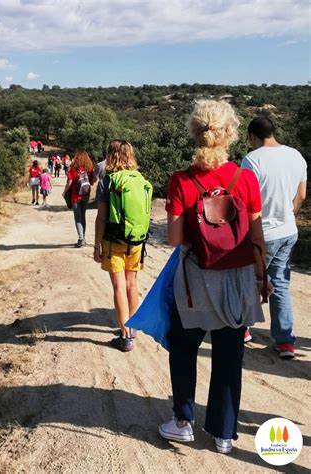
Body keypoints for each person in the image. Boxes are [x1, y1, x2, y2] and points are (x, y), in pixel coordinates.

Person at [159, 100, 266, 454]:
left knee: (183, 347)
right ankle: (223, 434)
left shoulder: (181, 180)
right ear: (230, 134)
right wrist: (261, 276)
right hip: (236, 279)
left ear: (194, 132)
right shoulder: (246, 178)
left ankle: (183, 421)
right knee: (229, 355)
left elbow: (174, 239)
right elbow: (256, 235)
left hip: (195, 280)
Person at [242, 117, 307, 358]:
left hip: (262, 233)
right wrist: (289, 215)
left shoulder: (252, 160)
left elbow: (244, 201)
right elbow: (301, 194)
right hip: (288, 231)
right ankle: (285, 341)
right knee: (280, 283)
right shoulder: (296, 156)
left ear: (252, 136)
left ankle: (242, 329)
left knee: (250, 282)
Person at [93, 140, 147, 352]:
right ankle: (132, 328)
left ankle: (125, 337)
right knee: (131, 283)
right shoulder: (140, 178)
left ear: (110, 156)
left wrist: (97, 244)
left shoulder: (108, 180)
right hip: (136, 240)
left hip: (113, 240)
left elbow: (101, 218)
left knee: (118, 286)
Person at [62, 150, 94, 247]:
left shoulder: (73, 168)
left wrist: (64, 192)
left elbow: (70, 181)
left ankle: (81, 238)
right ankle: (83, 238)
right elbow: (92, 182)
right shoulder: (89, 168)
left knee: (78, 218)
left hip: (75, 196)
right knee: (83, 217)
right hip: (85, 195)